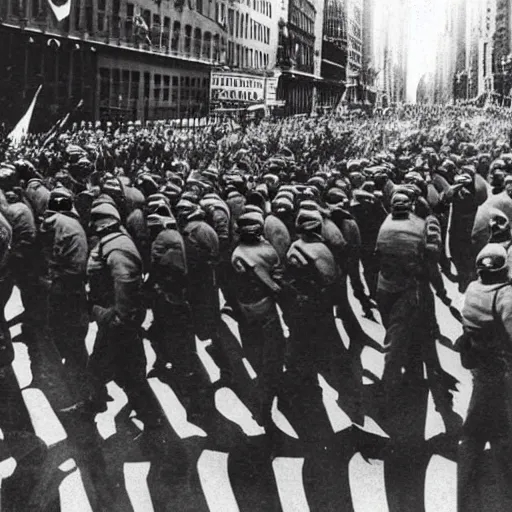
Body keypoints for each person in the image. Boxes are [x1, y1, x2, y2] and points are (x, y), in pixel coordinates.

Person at [85, 202, 162, 427]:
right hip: (113, 317)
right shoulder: (113, 243)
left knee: (127, 373)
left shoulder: (117, 248)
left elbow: (125, 283)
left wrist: (117, 318)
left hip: (117, 320)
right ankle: (96, 402)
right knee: (105, 367)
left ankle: (151, 417)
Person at [459, 244, 512, 510]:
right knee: (500, 427)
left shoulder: (471, 288)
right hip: (500, 366)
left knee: (481, 412)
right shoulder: (505, 296)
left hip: (477, 362)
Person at [39, 187, 90, 404]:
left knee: (67, 341)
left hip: (62, 289)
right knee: (75, 342)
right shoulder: (72, 225)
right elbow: (77, 266)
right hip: (71, 290)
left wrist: (51, 278)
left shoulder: (52, 223)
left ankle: (82, 394)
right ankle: (84, 393)